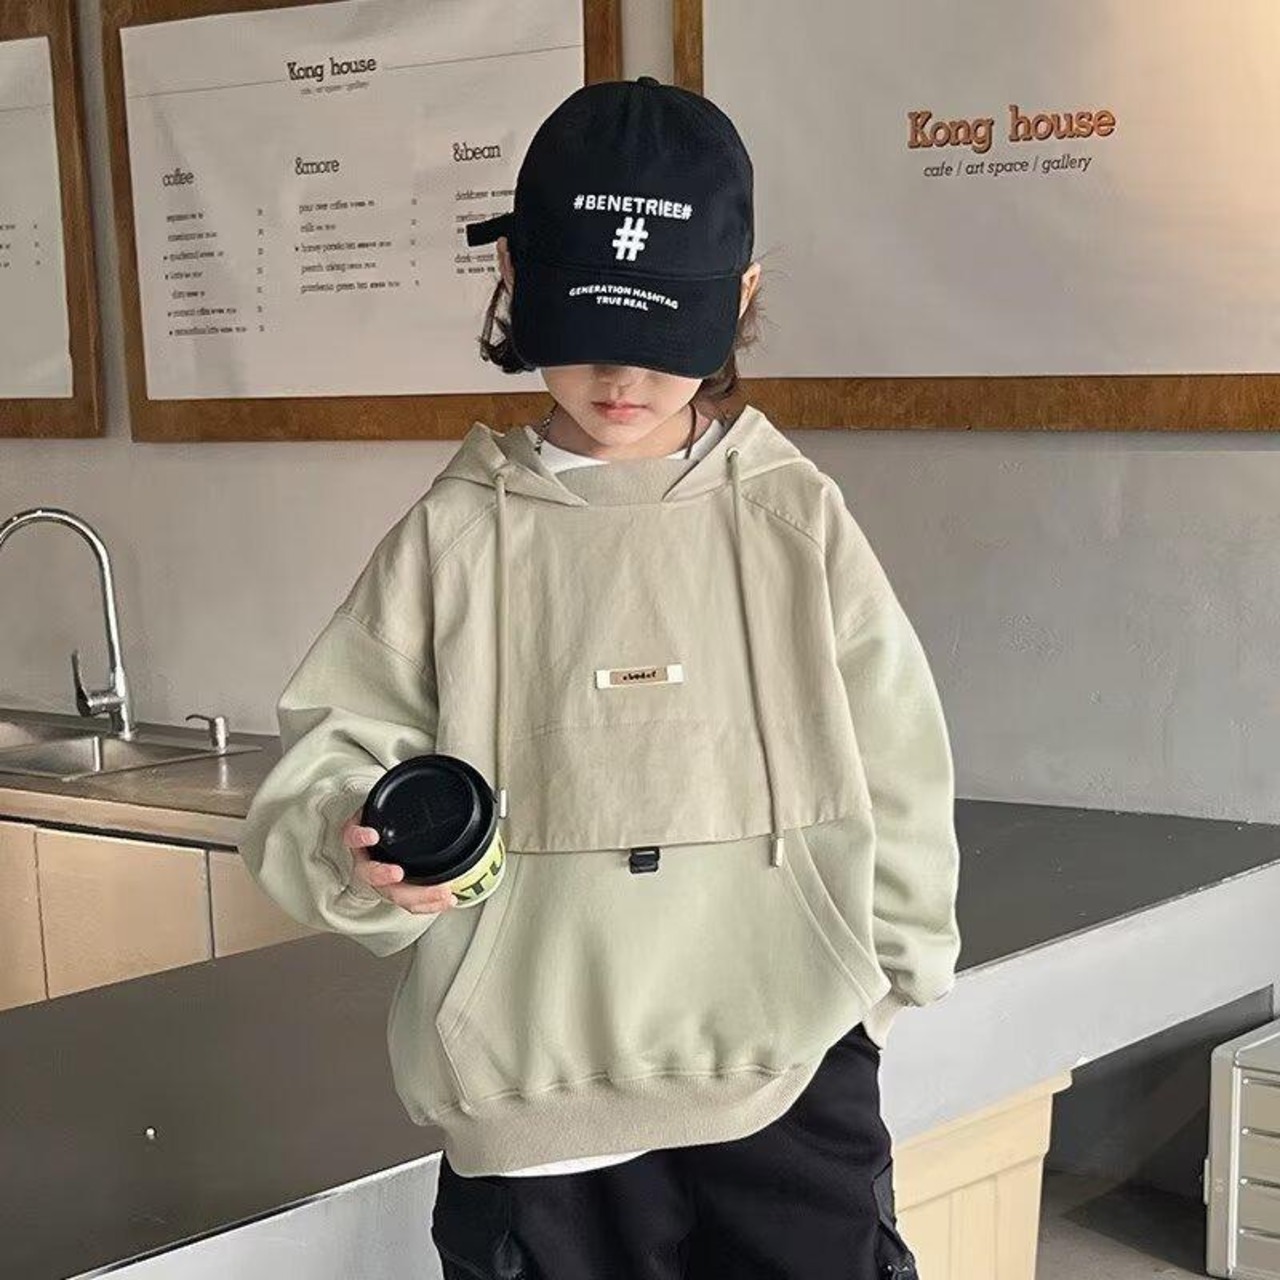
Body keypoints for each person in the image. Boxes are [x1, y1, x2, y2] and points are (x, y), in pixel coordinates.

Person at [239, 75, 960, 1279]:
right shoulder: (455, 534)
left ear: (738, 299)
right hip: (531, 1088)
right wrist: (354, 849)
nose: (621, 376)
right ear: (514, 275)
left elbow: (899, 758)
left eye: (662, 333)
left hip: (786, 1065)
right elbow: (331, 756)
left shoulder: (791, 518)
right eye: (584, 323)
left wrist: (884, 971)